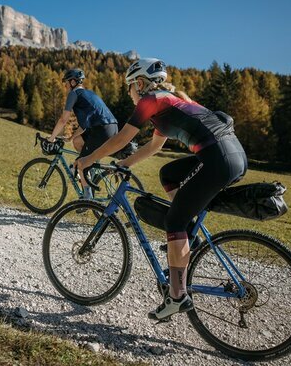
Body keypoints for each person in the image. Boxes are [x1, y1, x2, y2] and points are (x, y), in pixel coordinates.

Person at [75, 58, 247, 320]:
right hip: (231, 155)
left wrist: (88, 159)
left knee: (174, 221)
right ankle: (190, 234)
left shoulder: (151, 100)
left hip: (218, 159)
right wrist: (124, 163)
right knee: (169, 174)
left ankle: (177, 296)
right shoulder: (168, 103)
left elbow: (121, 138)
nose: (129, 94)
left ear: (139, 83)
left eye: (129, 87)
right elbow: (154, 147)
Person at [48, 68, 119, 199]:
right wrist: (71, 137)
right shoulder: (88, 94)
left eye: (66, 83)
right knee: (77, 141)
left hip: (102, 130)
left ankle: (87, 199)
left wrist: (51, 138)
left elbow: (63, 119)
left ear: (73, 82)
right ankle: (88, 168)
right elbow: (84, 126)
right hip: (111, 128)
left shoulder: (73, 94)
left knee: (82, 163)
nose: (65, 86)